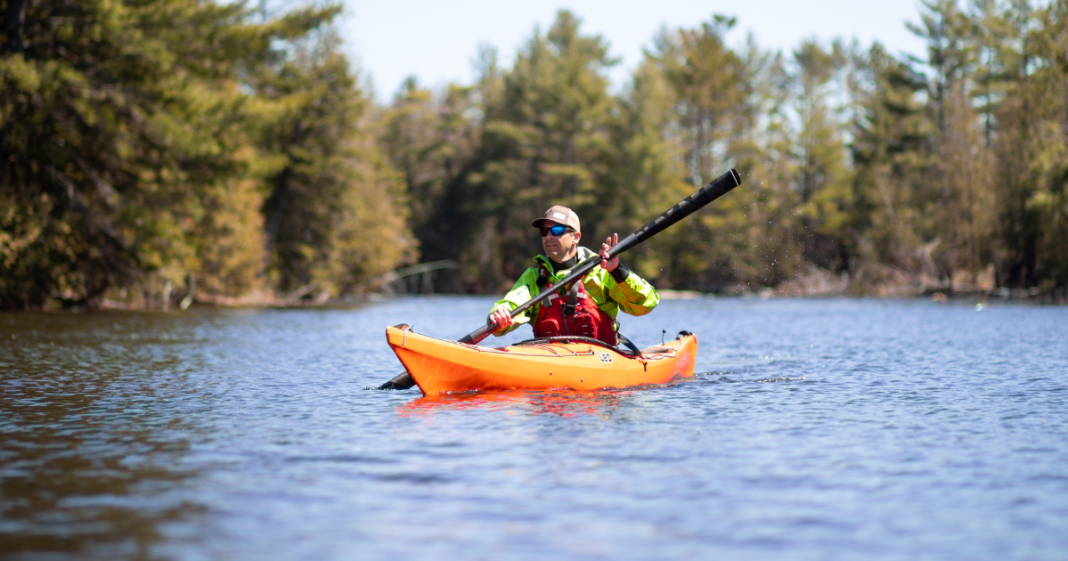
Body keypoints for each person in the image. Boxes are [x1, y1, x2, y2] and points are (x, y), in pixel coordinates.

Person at [487, 205, 659, 346]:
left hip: (601, 362)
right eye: (544, 231)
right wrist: (498, 314)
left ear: (576, 237)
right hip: (552, 364)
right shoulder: (534, 277)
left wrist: (618, 271)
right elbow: (510, 304)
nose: (548, 236)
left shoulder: (601, 270)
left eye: (557, 230)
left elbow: (645, 304)